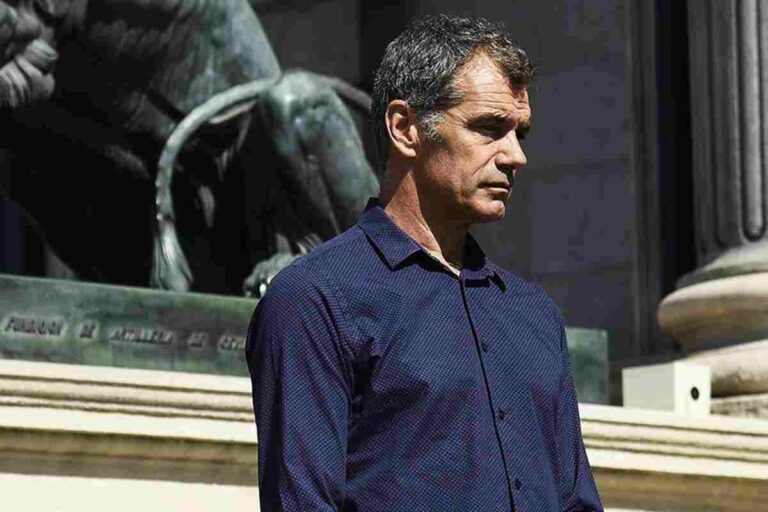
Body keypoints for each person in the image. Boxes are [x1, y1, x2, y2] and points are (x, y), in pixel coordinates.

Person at [246, 14, 603, 511]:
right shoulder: (314, 300)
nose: (515, 155)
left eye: (519, 133)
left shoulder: (534, 314)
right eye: (489, 128)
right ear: (405, 128)